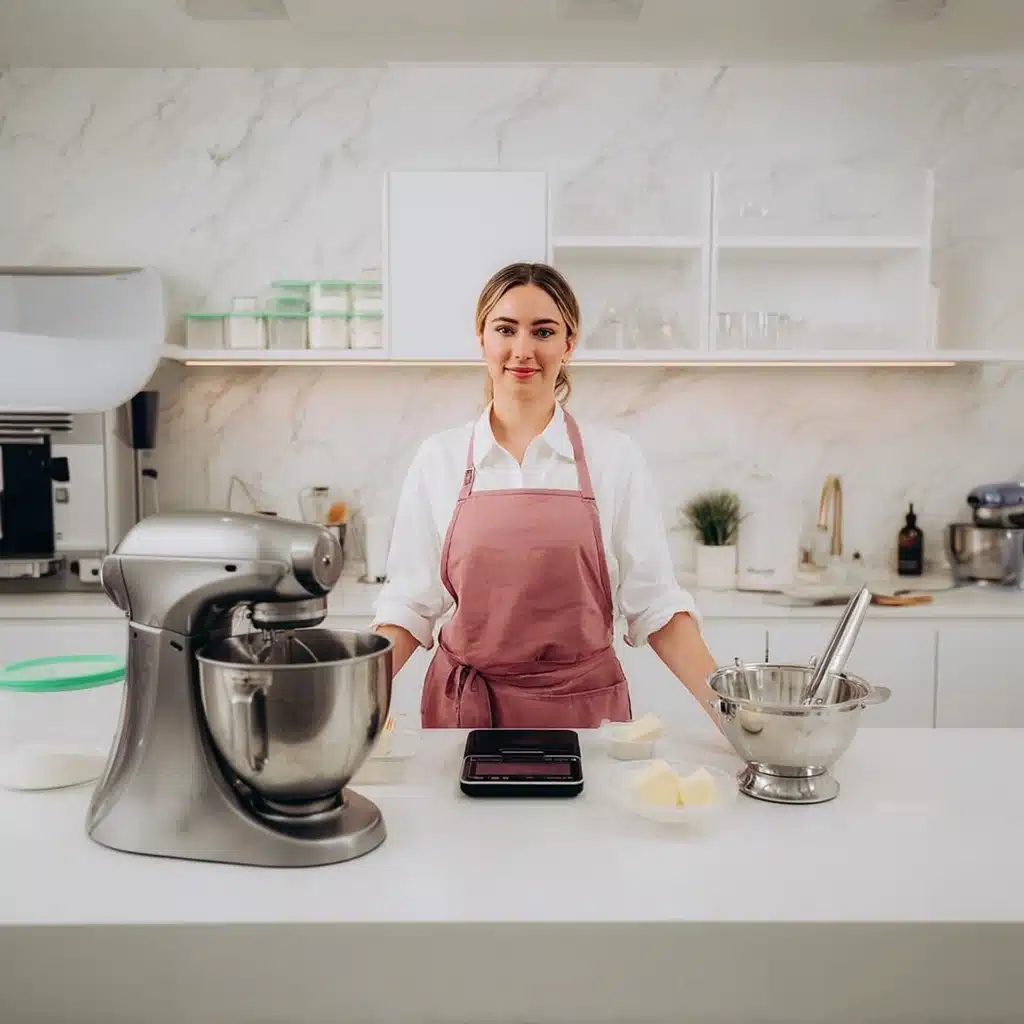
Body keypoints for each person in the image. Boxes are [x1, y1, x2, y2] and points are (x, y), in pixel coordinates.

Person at [371, 261, 720, 730]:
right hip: (466, 720)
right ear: (482, 339)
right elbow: (409, 605)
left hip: (586, 719)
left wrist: (737, 717)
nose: (522, 350)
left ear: (568, 345)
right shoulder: (439, 459)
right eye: (505, 329)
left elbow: (655, 603)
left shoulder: (613, 457)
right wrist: (338, 702)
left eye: (543, 331)